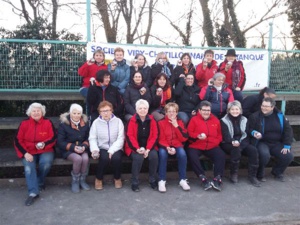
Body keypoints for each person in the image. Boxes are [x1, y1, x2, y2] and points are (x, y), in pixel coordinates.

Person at [14, 102, 56, 206]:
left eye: (38, 111)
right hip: (28, 151)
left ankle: (39, 183)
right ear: (30, 112)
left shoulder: (48, 122)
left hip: (45, 149)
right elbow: (18, 140)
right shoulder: (24, 123)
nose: (36, 113)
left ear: (42, 112)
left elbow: (53, 137)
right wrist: (25, 153)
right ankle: (33, 192)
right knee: (29, 167)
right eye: (34, 111)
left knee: (46, 163)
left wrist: (44, 144)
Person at [248, 97, 294, 182]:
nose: (264, 108)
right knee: (264, 155)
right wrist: (254, 132)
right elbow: (249, 129)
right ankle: (260, 173)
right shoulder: (255, 116)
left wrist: (287, 145)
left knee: (288, 156)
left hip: (277, 143)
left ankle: (277, 172)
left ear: (272, 107)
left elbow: (288, 130)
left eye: (266, 106)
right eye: (262, 105)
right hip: (262, 142)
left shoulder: (279, 116)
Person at [187, 101, 226, 191]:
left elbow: (219, 135)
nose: (206, 112)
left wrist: (216, 142)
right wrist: (197, 136)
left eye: (208, 110)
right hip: (197, 144)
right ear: (199, 110)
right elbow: (189, 133)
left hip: (211, 145)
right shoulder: (194, 119)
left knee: (220, 155)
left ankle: (217, 177)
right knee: (192, 155)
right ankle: (202, 177)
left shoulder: (215, 120)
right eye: (204, 110)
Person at [220, 101, 261, 187]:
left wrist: (241, 144)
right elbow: (225, 136)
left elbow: (246, 134)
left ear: (240, 110)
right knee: (236, 149)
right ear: (228, 110)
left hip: (242, 142)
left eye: (237, 109)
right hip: (228, 142)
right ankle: (233, 174)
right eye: (232, 109)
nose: (235, 111)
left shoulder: (245, 119)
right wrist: (233, 141)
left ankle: (252, 176)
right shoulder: (224, 120)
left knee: (253, 150)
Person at [89, 101, 125, 190]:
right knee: (104, 158)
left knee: (116, 158)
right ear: (99, 112)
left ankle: (117, 178)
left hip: (116, 147)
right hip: (102, 147)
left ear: (112, 110)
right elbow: (92, 138)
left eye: (107, 110)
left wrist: (112, 150)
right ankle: (98, 178)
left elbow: (121, 138)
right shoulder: (96, 123)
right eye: (102, 111)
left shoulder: (118, 121)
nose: (105, 113)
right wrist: (94, 150)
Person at [125, 99, 159, 192]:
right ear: (136, 109)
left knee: (154, 156)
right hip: (134, 147)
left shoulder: (152, 120)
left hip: (149, 146)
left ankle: (152, 179)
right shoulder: (131, 120)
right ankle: (135, 181)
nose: (143, 110)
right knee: (138, 157)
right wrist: (137, 149)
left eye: (145, 108)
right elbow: (129, 136)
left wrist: (148, 149)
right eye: (140, 108)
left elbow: (155, 135)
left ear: (148, 109)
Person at [57, 104, 91, 193]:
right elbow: (60, 141)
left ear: (81, 114)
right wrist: (73, 147)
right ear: (70, 113)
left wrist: (84, 146)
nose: (76, 115)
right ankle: (75, 181)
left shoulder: (85, 123)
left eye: (78, 113)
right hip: (68, 149)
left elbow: (89, 137)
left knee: (85, 158)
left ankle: (82, 180)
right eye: (74, 113)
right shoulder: (63, 124)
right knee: (78, 159)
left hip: (81, 147)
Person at [157, 103, 190, 192]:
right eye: (169, 111)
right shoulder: (161, 122)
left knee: (182, 154)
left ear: (177, 113)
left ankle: (183, 179)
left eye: (174, 111)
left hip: (177, 144)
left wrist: (176, 126)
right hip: (165, 145)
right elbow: (160, 138)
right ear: (166, 113)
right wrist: (167, 147)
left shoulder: (180, 122)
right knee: (162, 155)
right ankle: (162, 180)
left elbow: (184, 138)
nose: (171, 113)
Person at [78, 50, 107, 114]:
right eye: (97, 55)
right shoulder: (88, 64)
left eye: (100, 56)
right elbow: (81, 73)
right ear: (94, 57)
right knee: (90, 96)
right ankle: (89, 115)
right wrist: (86, 65)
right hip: (86, 87)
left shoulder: (105, 67)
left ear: (103, 57)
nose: (98, 57)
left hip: (99, 87)